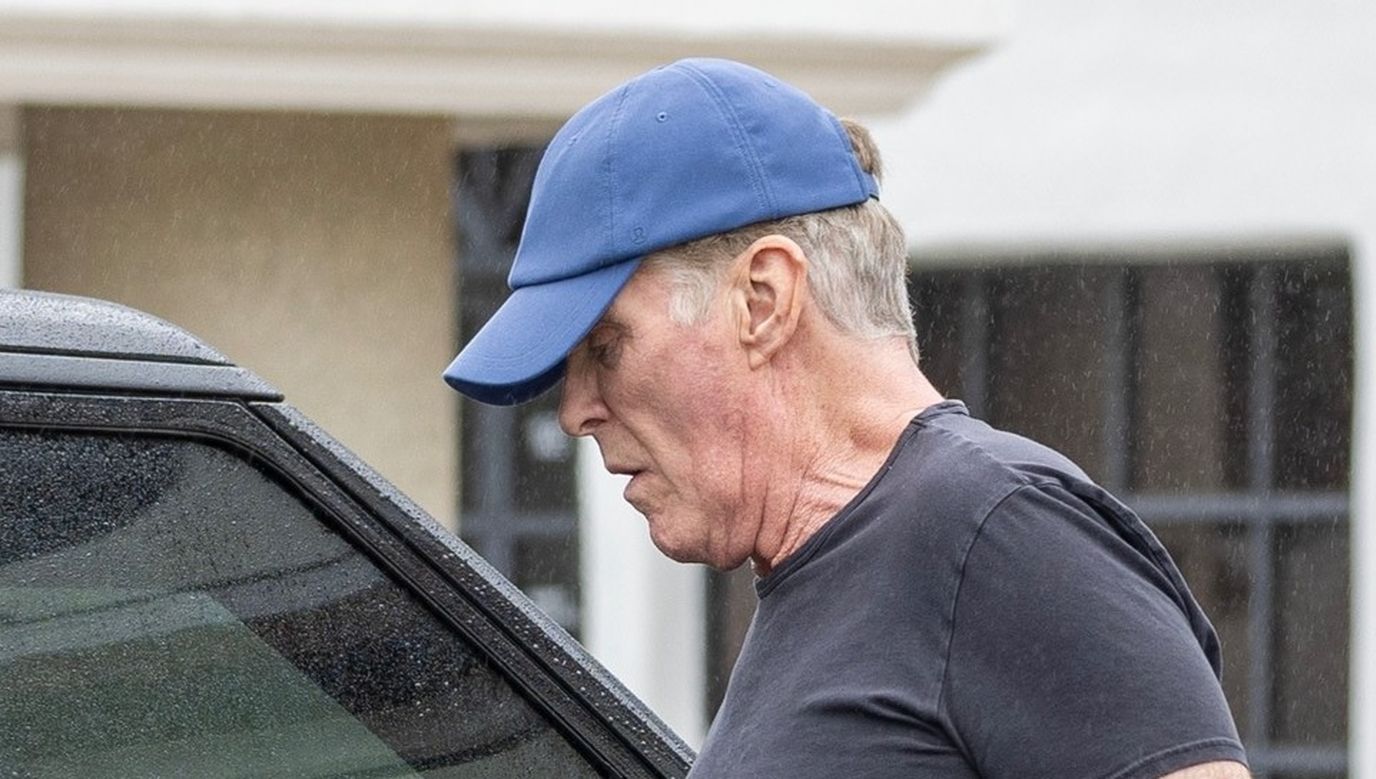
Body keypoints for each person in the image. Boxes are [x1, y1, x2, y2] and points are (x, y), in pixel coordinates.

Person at [445, 58, 1249, 779]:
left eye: (606, 346)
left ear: (763, 299)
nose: (576, 410)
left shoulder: (1002, 533)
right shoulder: (832, 573)